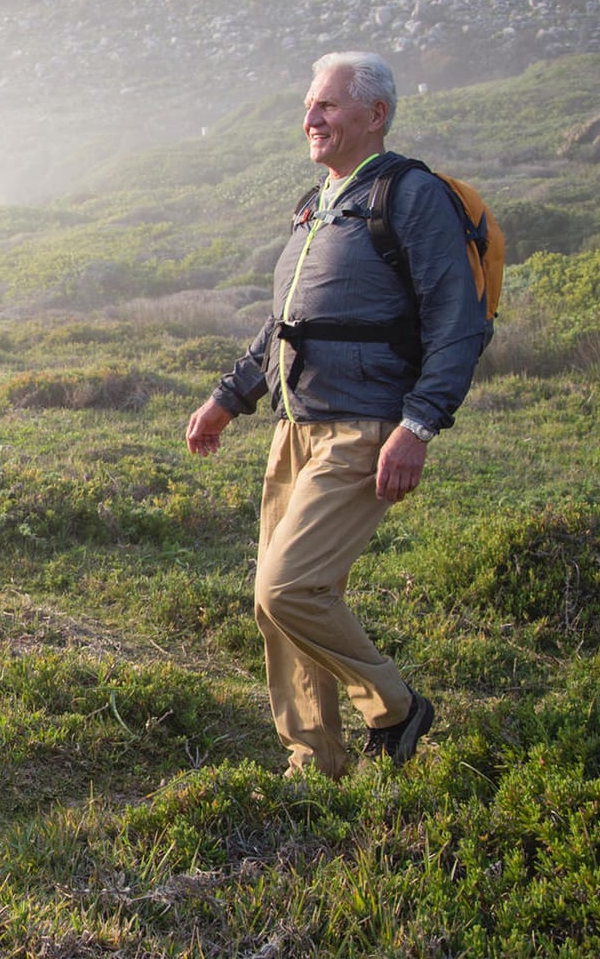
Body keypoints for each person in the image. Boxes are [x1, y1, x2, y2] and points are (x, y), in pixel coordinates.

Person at [184, 51, 486, 779]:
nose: (311, 117)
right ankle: (315, 761)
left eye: (327, 105)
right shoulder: (317, 202)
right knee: (278, 606)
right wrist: (228, 399)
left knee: (287, 586)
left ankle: (394, 706)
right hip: (294, 425)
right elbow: (286, 323)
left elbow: (459, 323)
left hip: (364, 424)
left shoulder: (410, 196)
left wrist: (416, 427)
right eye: (309, 104)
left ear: (375, 115)